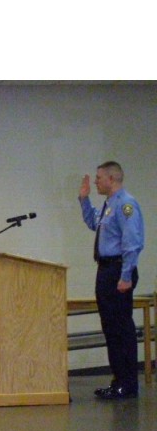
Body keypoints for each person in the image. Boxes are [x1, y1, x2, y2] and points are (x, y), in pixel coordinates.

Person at [78, 161, 145, 400]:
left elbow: (132, 243)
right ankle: (119, 381)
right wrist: (84, 200)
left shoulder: (126, 204)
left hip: (118, 271)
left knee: (121, 329)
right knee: (111, 328)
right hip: (106, 271)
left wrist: (126, 276)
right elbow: (93, 222)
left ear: (111, 178)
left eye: (98, 178)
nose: (95, 181)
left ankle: (127, 383)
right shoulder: (110, 205)